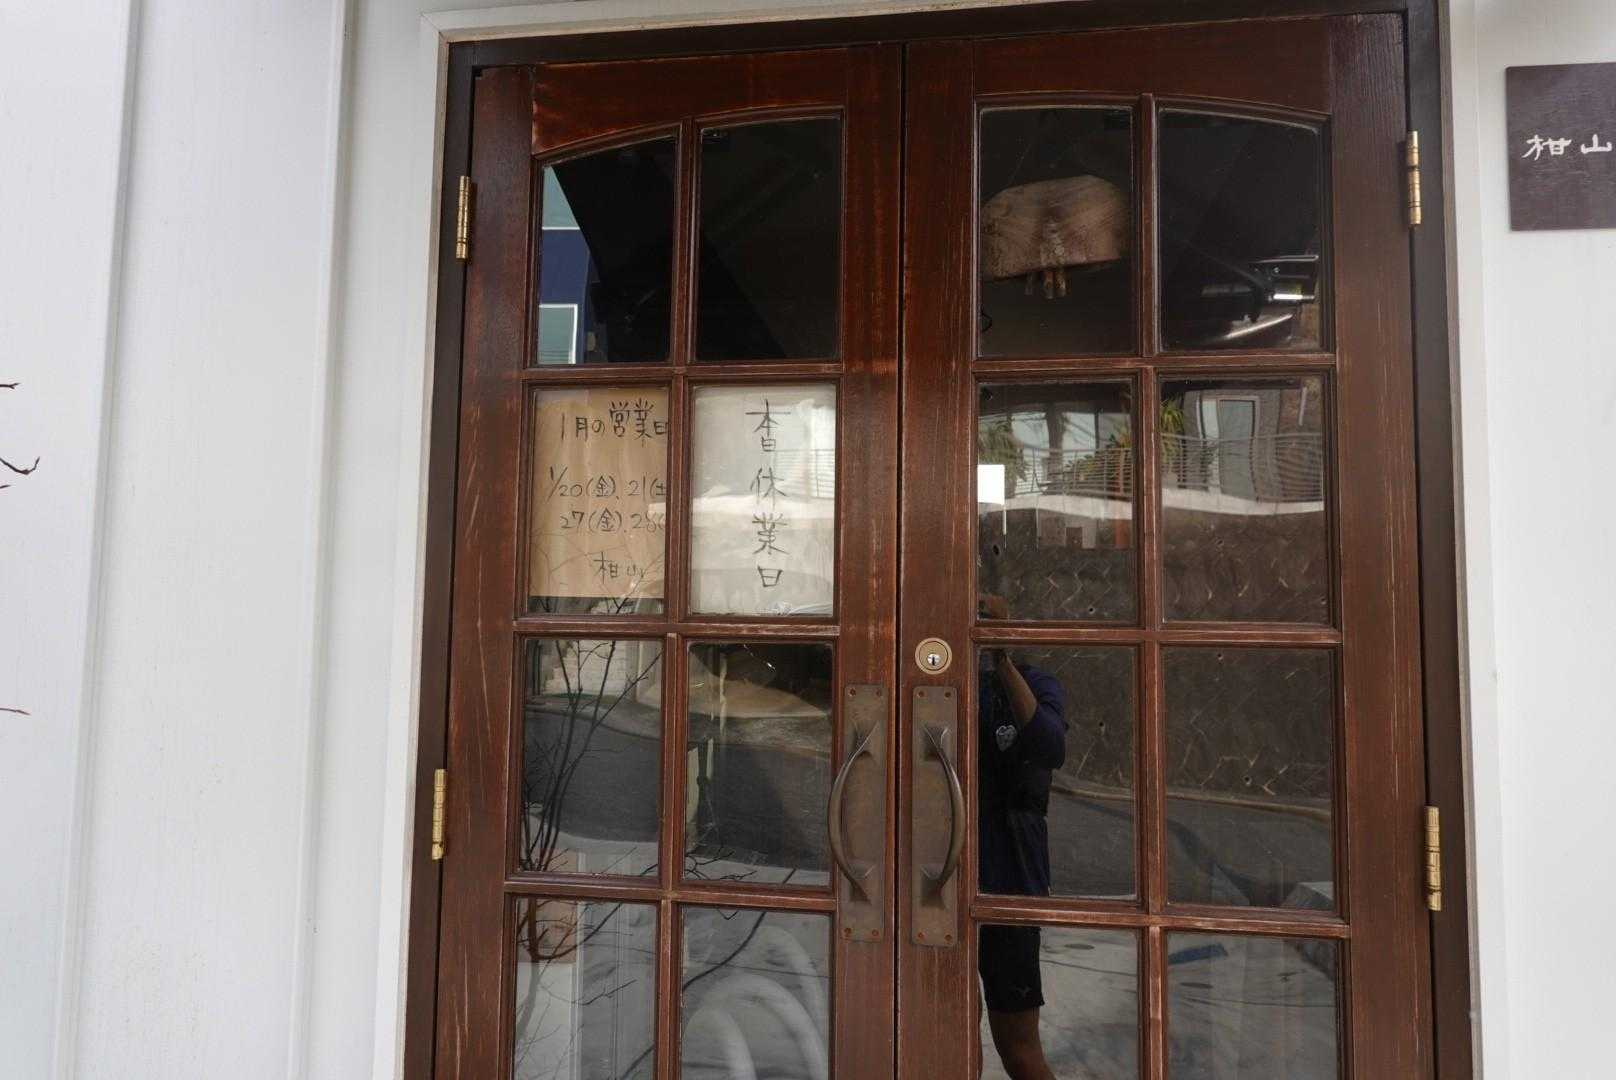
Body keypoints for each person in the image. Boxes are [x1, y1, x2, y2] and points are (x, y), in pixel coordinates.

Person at [976, 593, 1066, 1080]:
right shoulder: (943, 678)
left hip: (1010, 882)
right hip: (940, 878)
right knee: (947, 1036)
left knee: (1019, 1049)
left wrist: (1001, 657)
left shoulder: (1034, 682)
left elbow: (1049, 746)